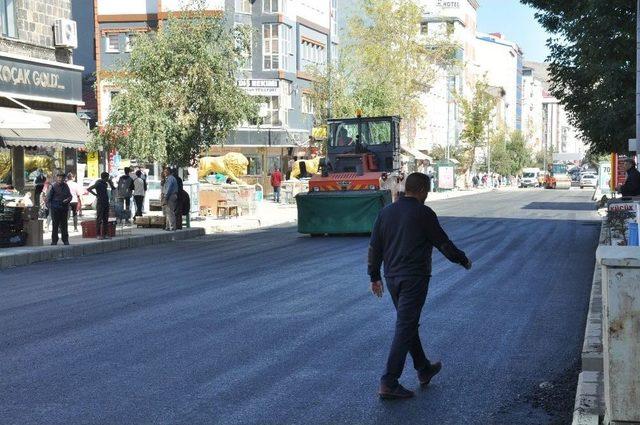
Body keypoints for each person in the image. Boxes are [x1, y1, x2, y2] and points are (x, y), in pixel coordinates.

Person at [368, 172, 472, 400]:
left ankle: (423, 368)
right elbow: (443, 243)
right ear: (423, 190)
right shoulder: (423, 213)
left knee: (408, 323)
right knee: (405, 325)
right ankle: (389, 381)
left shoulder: (385, 212)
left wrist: (374, 276)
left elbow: (375, 247)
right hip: (414, 278)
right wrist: (462, 259)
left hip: (392, 278)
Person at [88, 172, 116, 240]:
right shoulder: (98, 183)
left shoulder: (106, 183)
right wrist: (96, 195)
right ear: (105, 177)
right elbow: (89, 189)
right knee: (99, 219)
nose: (108, 179)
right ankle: (98, 234)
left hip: (106, 202)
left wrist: (111, 183)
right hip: (100, 202)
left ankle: (105, 234)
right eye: (108, 177)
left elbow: (113, 189)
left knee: (105, 219)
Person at [47, 173, 72, 245]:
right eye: (58, 177)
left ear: (64, 179)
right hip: (55, 209)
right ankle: (54, 240)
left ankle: (65, 240)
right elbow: (49, 198)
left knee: (64, 225)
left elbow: (70, 196)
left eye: (61, 178)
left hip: (64, 208)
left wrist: (67, 200)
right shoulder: (53, 186)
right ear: (56, 178)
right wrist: (50, 207)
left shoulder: (66, 186)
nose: (60, 179)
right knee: (55, 225)